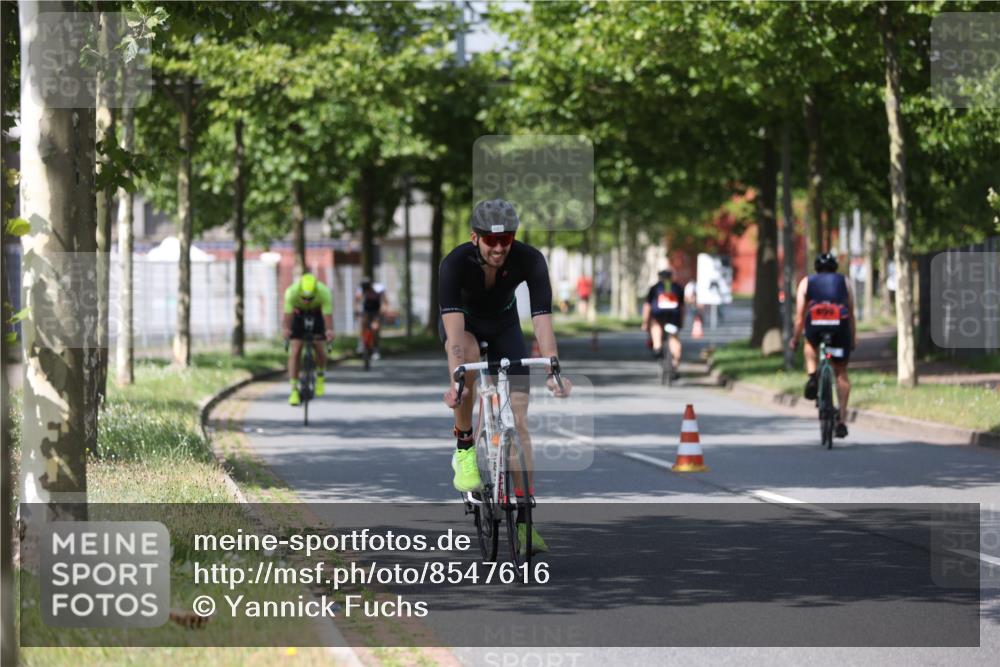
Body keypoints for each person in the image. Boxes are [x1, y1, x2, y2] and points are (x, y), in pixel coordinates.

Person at [439, 199, 572, 554]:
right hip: (463, 324)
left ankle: (526, 523)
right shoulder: (455, 264)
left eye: (506, 239)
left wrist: (553, 367)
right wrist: (456, 378)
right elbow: (453, 336)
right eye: (490, 240)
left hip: (504, 324)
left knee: (519, 418)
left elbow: (542, 318)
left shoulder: (529, 259)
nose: (499, 247)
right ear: (475, 237)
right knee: (466, 361)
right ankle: (465, 447)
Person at [790, 252, 856, 438]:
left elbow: (799, 317)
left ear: (816, 268)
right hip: (840, 324)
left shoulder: (806, 282)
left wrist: (795, 340)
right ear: (835, 268)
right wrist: (853, 337)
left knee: (810, 344)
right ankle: (841, 419)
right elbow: (851, 313)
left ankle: (812, 376)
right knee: (841, 371)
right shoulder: (845, 282)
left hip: (816, 324)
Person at [283, 272, 334, 405]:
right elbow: (287, 316)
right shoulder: (291, 292)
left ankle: (320, 376)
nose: (307, 301)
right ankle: (294, 390)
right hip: (298, 314)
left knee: (319, 346)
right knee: (295, 350)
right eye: (304, 298)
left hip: (317, 313)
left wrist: (329, 331)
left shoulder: (324, 292)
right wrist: (287, 330)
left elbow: (327, 315)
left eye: (310, 298)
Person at [641, 269, 685, 377]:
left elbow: (648, 306)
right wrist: (681, 321)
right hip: (674, 316)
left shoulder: (655, 288)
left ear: (660, 277)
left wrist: (645, 322)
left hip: (658, 314)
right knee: (674, 339)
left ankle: (657, 346)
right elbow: (682, 307)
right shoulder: (677, 287)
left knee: (655, 325)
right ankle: (675, 365)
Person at [355, 278, 387, 360]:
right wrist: (357, 311)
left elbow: (384, 301)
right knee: (363, 324)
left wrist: (382, 311)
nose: (366, 291)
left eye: (367, 289)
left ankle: (375, 350)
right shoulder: (361, 290)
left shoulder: (378, 288)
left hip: (376, 310)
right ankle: (361, 343)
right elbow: (357, 301)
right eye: (365, 290)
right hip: (366, 309)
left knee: (375, 328)